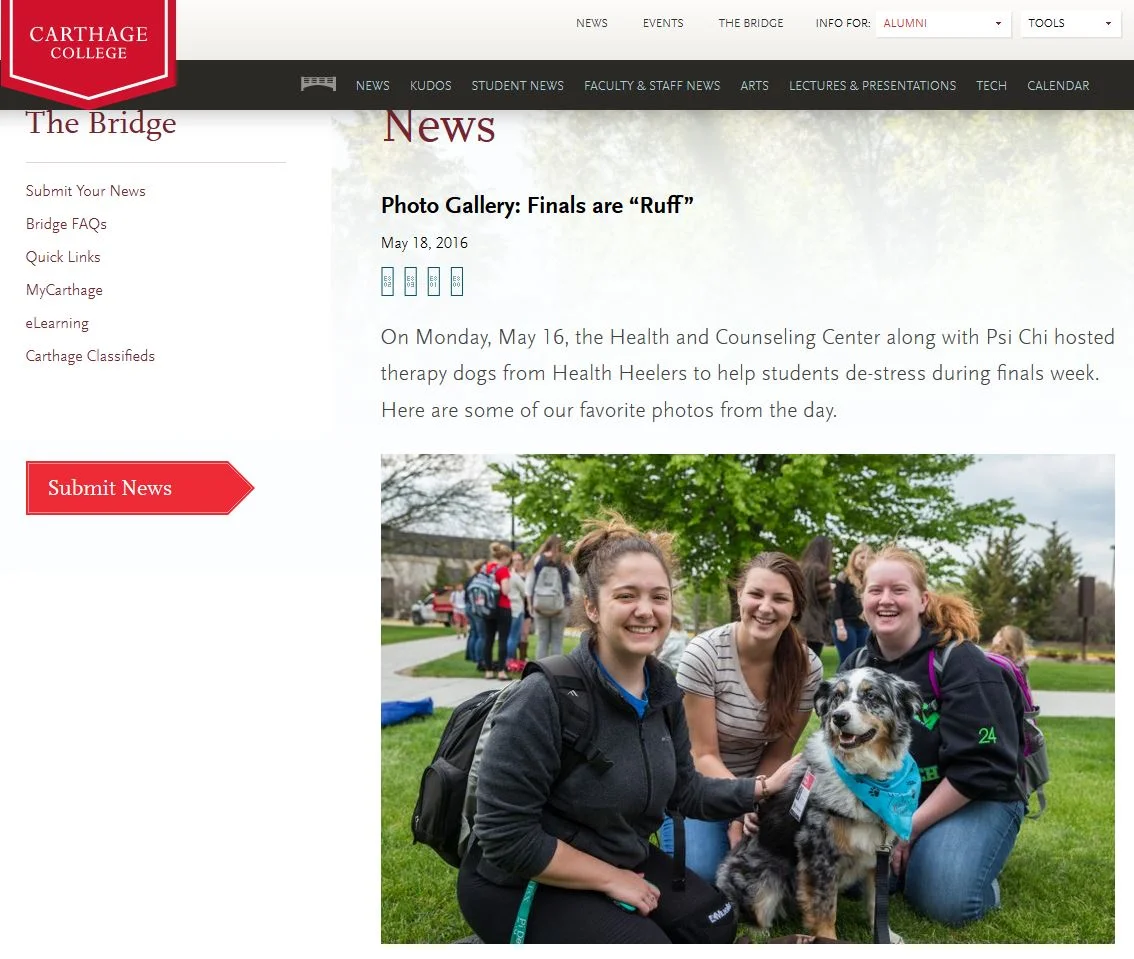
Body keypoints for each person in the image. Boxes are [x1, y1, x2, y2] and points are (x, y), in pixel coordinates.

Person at [456, 515, 797, 944]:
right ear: (593, 608)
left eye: (659, 596)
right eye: (626, 596)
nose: (646, 610)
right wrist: (609, 879)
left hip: (619, 854)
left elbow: (684, 790)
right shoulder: (544, 696)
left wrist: (761, 790)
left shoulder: (664, 688)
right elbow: (506, 837)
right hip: (517, 880)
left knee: (716, 922)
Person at [846, 544, 1026, 927]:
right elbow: (836, 753)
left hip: (977, 796)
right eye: (875, 590)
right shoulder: (857, 666)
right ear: (862, 600)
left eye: (899, 590)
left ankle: (971, 872)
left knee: (945, 899)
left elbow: (982, 768)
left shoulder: (960, 662)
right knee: (849, 878)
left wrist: (906, 829)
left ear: (923, 599)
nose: (886, 600)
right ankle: (924, 857)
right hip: (893, 802)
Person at [660, 552, 822, 883]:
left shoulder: (807, 667)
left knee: (790, 868)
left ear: (795, 608)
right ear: (739, 596)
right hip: (695, 784)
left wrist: (753, 806)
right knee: (703, 874)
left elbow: (777, 755)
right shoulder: (704, 654)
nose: (766, 607)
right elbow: (701, 754)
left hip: (759, 785)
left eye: (780, 598)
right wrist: (742, 802)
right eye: (756, 594)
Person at [526, 534, 579, 660]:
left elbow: (529, 584)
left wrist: (530, 605)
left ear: (547, 544)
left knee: (542, 639)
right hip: (561, 606)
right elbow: (575, 581)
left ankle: (539, 671)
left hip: (540, 605)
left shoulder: (538, 560)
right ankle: (555, 672)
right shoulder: (565, 561)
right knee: (557, 639)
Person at [833, 542, 872, 665]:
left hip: (863, 626)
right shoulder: (842, 577)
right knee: (847, 662)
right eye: (861, 557)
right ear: (854, 557)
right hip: (845, 625)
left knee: (862, 662)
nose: (864, 561)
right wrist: (840, 627)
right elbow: (834, 603)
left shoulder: (869, 579)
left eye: (868, 558)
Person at [799, 535, 836, 661]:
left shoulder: (799, 568)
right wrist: (831, 590)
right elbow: (825, 596)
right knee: (809, 667)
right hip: (813, 625)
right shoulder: (820, 570)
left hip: (796, 623)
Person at [482, 542, 514, 681]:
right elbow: (505, 590)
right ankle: (501, 670)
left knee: (488, 639)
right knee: (502, 639)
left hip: (488, 608)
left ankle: (488, 670)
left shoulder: (486, 569)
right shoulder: (503, 570)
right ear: (505, 557)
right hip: (503, 607)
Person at [505, 551, 528, 666]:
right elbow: (525, 591)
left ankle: (507, 660)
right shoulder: (514, 576)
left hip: (505, 608)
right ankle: (511, 661)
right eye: (515, 560)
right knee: (513, 637)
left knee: (508, 636)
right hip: (517, 608)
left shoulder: (503, 575)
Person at [464, 561, 486, 668]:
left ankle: (470, 655)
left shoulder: (470, 579)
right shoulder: (480, 580)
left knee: (473, 632)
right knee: (481, 634)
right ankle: (478, 658)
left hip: (468, 606)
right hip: (476, 607)